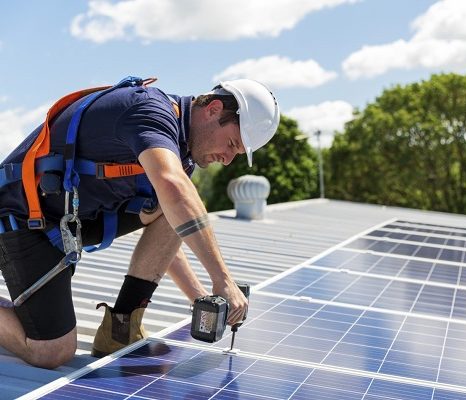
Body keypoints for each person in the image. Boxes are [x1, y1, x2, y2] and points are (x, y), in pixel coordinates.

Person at [0, 76, 279, 369]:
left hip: (61, 224)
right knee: (52, 352)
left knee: (173, 207)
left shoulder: (179, 155)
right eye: (232, 144)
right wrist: (222, 280)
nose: (226, 160)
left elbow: (172, 221)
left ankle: (119, 329)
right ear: (213, 109)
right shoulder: (148, 110)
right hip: (19, 219)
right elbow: (175, 190)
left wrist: (198, 297)